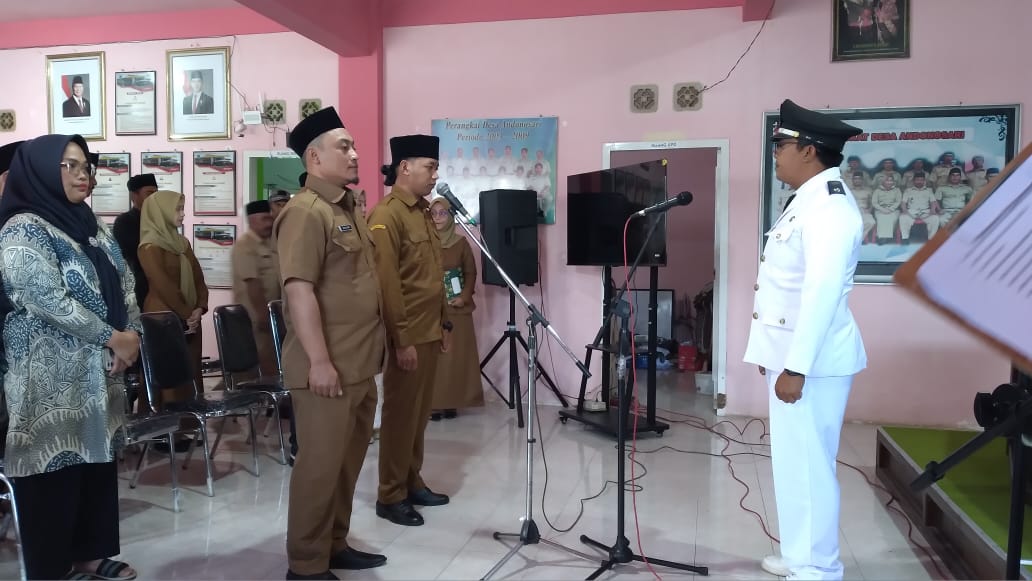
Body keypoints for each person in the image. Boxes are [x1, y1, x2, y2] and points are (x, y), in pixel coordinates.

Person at [0, 134, 141, 580]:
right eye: (69, 165)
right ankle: (51, 567)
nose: (83, 174)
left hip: (99, 370)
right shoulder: (23, 228)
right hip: (47, 377)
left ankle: (90, 553)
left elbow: (126, 284)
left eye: (85, 165)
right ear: (42, 171)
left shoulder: (91, 224)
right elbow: (45, 298)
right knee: (52, 469)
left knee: (95, 462)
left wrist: (132, 335)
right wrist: (111, 336)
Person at [744, 99, 867, 581]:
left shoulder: (830, 209)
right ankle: (800, 554)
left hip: (813, 363)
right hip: (794, 356)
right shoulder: (808, 200)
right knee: (793, 464)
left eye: (782, 145)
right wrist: (773, 353)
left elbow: (820, 295)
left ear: (809, 150)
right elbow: (787, 289)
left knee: (812, 467)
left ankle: (820, 567)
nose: (776, 154)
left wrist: (795, 367)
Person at [277, 106, 386, 580]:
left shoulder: (346, 208)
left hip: (358, 365)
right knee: (319, 469)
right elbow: (299, 290)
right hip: (327, 369)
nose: (355, 153)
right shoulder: (306, 212)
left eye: (354, 145)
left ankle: (333, 544)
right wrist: (319, 362)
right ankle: (305, 565)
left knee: (346, 466)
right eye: (344, 146)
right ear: (315, 158)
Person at [368, 134, 452, 527]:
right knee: (401, 416)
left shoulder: (421, 212)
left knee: (419, 416)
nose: (435, 175)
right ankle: (390, 494)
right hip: (407, 334)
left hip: (429, 330)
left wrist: (445, 322)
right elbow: (388, 285)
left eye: (435, 168)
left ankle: (411, 480)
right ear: (405, 167)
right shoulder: (387, 216)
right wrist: (401, 340)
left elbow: (432, 275)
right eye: (429, 167)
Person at [137, 190, 209, 430]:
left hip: (188, 318)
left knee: (189, 368)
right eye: (177, 209)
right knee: (167, 371)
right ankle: (165, 431)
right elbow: (162, 284)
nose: (182, 214)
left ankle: (187, 425)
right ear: (161, 213)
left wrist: (199, 307)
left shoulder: (182, 244)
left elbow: (198, 278)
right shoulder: (149, 247)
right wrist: (186, 313)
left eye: (182, 208)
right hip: (163, 318)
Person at [428, 197, 484, 420]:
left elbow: (470, 272)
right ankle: (433, 404)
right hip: (430, 308)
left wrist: (464, 296)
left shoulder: (461, 243)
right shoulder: (423, 241)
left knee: (456, 357)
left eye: (443, 213)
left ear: (451, 216)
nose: (438, 218)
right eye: (433, 213)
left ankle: (452, 402)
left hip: (456, 307)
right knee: (435, 358)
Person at [232, 200, 280, 376]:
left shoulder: (269, 243)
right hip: (255, 317)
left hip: (270, 314)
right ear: (252, 220)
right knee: (261, 362)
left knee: (272, 359)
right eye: (264, 219)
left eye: (270, 218)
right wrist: (263, 315)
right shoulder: (245, 246)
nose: (269, 223)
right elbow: (253, 284)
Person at [113, 173, 158, 308]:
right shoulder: (124, 222)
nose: (154, 198)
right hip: (138, 289)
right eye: (149, 193)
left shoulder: (159, 220)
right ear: (134, 196)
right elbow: (133, 256)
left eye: (156, 193)